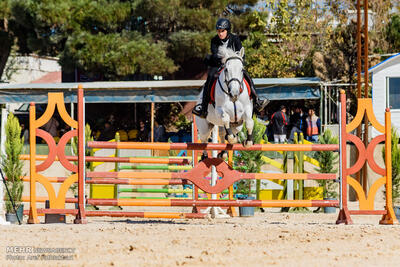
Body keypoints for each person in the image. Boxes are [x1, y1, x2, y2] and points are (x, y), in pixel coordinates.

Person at [192, 18, 269, 118]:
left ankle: (257, 100)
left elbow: (241, 54)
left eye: (222, 31)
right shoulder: (214, 40)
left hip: (234, 66)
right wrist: (223, 60)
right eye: (218, 31)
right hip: (219, 66)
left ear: (227, 31)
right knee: (210, 78)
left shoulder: (235, 39)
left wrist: (237, 62)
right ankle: (203, 108)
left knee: (247, 76)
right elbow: (215, 55)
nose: (220, 34)